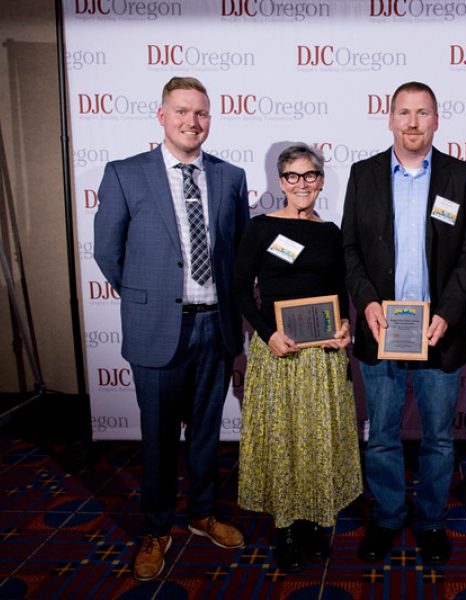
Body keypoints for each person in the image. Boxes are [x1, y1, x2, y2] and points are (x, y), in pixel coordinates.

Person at [94, 77, 249, 581]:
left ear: (210, 119)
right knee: (159, 437)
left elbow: (238, 253)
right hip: (157, 327)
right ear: (162, 116)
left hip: (215, 326)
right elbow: (108, 252)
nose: (192, 122)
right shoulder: (125, 174)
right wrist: (150, 298)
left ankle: (202, 513)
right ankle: (156, 528)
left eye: (201, 113)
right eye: (182, 111)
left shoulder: (230, 177)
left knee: (206, 431)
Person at [341, 81, 466, 566]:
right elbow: (350, 249)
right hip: (382, 329)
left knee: (439, 439)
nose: (413, 122)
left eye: (423, 113)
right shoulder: (363, 174)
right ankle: (386, 518)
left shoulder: (461, 176)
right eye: (404, 112)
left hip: (437, 330)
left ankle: (432, 522)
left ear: (436, 120)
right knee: (381, 435)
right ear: (390, 119)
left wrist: (447, 312)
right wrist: (366, 302)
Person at [233, 143, 361, 573]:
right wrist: (267, 334)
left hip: (322, 355)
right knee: (283, 439)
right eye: (292, 175)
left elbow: (339, 289)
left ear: (321, 181)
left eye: (310, 175)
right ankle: (285, 528)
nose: (301, 183)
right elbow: (239, 289)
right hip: (278, 352)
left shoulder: (332, 232)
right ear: (280, 181)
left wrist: (344, 326)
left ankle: (315, 521)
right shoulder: (261, 227)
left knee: (319, 439)